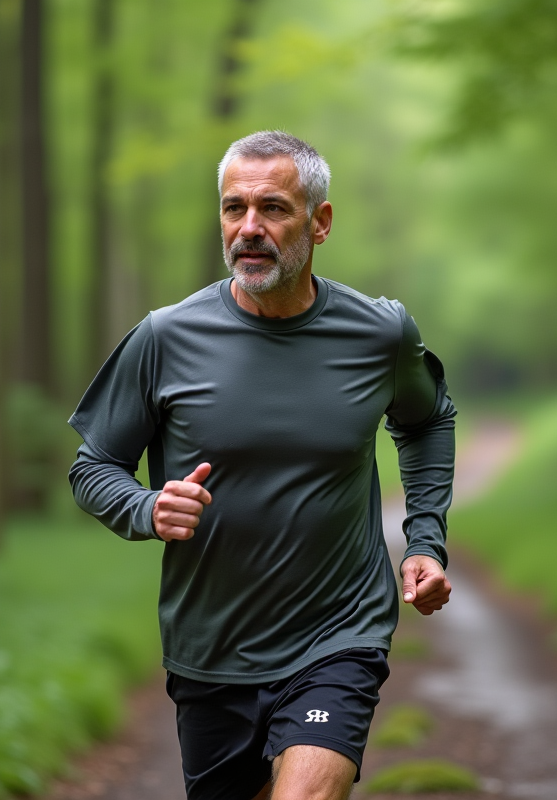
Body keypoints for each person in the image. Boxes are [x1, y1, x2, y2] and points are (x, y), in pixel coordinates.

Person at [68, 130, 456, 800]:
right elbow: (93, 465)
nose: (249, 227)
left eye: (273, 208)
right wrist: (146, 507)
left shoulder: (379, 333)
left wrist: (425, 540)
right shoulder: (166, 336)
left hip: (340, 634)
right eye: (234, 208)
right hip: (211, 650)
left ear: (319, 222)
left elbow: (426, 420)